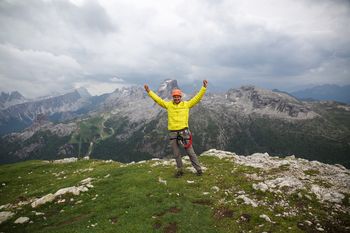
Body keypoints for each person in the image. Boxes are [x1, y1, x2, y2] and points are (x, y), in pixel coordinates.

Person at [144, 80, 208, 177]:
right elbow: (158, 100)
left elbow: (197, 98)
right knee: (176, 154)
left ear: (180, 97)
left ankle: (198, 169)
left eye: (178, 96)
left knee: (190, 152)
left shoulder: (186, 104)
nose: (176, 98)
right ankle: (180, 171)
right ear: (173, 97)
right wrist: (149, 91)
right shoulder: (169, 105)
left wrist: (203, 87)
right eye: (175, 97)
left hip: (184, 132)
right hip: (173, 133)